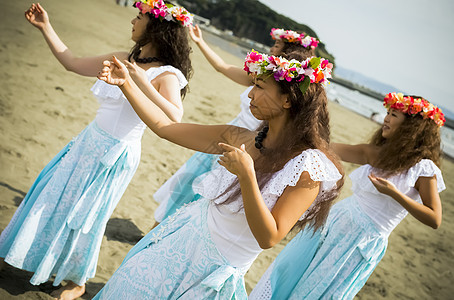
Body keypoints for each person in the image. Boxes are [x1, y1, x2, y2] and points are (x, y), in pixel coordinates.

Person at [93, 50, 343, 298]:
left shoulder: (309, 168)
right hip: (182, 239)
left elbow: (270, 237)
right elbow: (165, 127)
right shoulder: (240, 137)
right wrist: (126, 84)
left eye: (259, 86)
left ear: (287, 100)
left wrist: (247, 176)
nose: (250, 94)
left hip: (212, 271)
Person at [0, 1, 192, 299]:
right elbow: (72, 62)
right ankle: (30, 255)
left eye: (139, 16)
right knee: (53, 198)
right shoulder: (122, 57)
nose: (133, 20)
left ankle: (77, 282)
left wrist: (140, 80)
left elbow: (174, 117)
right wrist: (45, 26)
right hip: (88, 142)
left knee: (86, 216)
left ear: (156, 26)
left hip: (115, 154)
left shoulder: (166, 74)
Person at [249, 92, 446, 299]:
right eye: (387, 112)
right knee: (292, 268)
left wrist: (395, 194)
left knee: (319, 288)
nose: (386, 118)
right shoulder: (376, 153)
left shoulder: (424, 169)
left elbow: (434, 218)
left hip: (360, 241)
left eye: (394, 115)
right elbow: (327, 148)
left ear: (412, 127)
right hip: (336, 221)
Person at [153, 26, 320, 226]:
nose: (271, 49)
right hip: (231, 133)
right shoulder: (260, 77)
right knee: (186, 185)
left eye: (276, 45)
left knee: (206, 196)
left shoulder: (283, 93)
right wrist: (200, 41)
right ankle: (158, 231)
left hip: (249, 144)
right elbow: (222, 66)